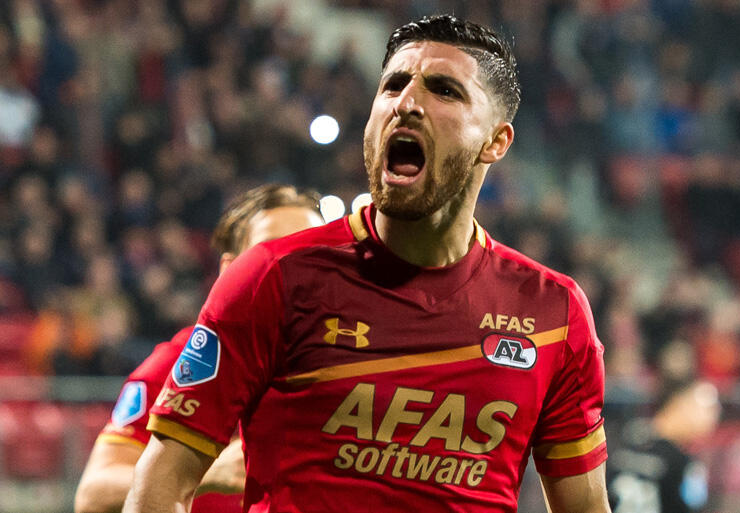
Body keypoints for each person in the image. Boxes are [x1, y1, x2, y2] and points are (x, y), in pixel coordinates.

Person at [124, 15, 610, 513]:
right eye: (393, 85)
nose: (407, 103)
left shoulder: (554, 313)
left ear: (495, 141)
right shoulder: (274, 276)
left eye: (444, 90)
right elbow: (158, 486)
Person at [74, 184, 324, 513]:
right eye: (272, 255)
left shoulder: (365, 362)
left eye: (314, 255)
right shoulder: (184, 362)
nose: (297, 272)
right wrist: (207, 471)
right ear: (230, 270)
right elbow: (93, 494)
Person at [607, 380, 721, 513]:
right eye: (708, 407)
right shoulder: (683, 463)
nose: (714, 415)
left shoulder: (621, 437)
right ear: (679, 404)